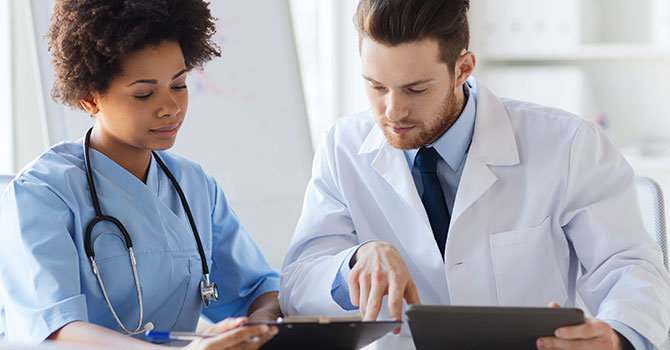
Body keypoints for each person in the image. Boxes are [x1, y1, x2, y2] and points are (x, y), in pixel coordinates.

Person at [279, 0, 670, 349]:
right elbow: (297, 286)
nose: (392, 111)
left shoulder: (567, 144)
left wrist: (616, 335)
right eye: (376, 86)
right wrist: (354, 262)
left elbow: (629, 266)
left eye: (416, 89)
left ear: (462, 69)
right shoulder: (342, 148)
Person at [0, 0, 281, 349]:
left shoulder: (195, 187)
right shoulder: (41, 193)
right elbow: (55, 329)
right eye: (144, 94)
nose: (170, 108)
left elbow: (259, 290)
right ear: (90, 98)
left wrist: (258, 329)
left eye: (179, 85)